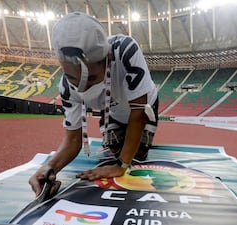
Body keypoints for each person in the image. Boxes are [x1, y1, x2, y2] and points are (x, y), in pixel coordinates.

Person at [29, 12, 159, 197]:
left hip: (144, 107)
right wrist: (50, 166)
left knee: (136, 157)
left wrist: (121, 166)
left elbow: (138, 115)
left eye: (90, 78)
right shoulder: (66, 87)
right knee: (114, 152)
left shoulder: (126, 50)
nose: (82, 87)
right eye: (72, 78)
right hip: (112, 110)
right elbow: (73, 139)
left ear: (108, 58)